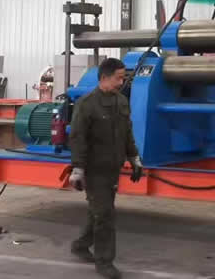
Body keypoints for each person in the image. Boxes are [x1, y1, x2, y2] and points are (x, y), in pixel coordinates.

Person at [68, 57, 143, 279]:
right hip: (94, 169)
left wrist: (134, 157)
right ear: (103, 77)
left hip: (112, 168)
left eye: (123, 78)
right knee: (105, 215)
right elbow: (78, 138)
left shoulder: (121, 102)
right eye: (118, 78)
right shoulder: (87, 104)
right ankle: (105, 261)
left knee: (100, 211)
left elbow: (127, 133)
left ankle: (81, 245)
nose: (121, 83)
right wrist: (78, 169)